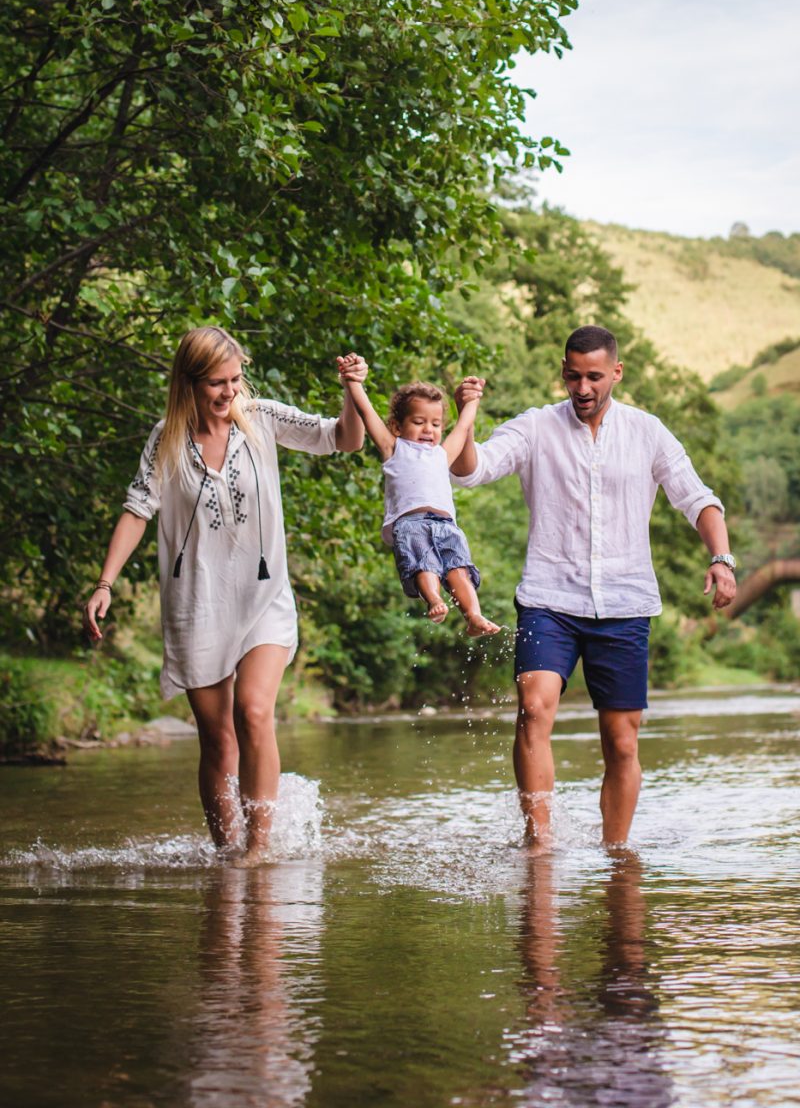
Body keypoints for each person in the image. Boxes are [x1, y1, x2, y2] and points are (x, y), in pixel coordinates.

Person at [83, 326, 366, 866]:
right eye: (217, 383)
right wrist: (105, 583)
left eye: (235, 379)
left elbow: (344, 439)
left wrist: (352, 391)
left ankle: (257, 853)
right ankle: (227, 856)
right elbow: (137, 509)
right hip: (199, 603)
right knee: (217, 740)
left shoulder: (261, 418)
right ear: (188, 383)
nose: (229, 393)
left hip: (263, 599)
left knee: (254, 711)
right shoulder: (165, 438)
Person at [450, 325, 737, 849]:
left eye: (594, 377)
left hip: (626, 604)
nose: (583, 388)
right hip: (548, 599)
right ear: (563, 373)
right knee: (534, 706)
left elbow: (699, 500)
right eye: (573, 376)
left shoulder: (648, 432)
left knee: (621, 742)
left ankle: (616, 855)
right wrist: (465, 418)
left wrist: (721, 559)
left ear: (616, 374)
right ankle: (538, 844)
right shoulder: (536, 427)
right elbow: (473, 469)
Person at [337, 356, 499, 635]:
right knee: (425, 565)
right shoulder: (394, 447)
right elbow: (367, 414)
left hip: (446, 525)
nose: (429, 429)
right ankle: (434, 600)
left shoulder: (442, 454)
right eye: (419, 422)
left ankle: (473, 616)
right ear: (398, 427)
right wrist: (353, 382)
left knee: (459, 569)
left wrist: (472, 400)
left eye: (436, 424)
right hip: (411, 524)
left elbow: (462, 427)